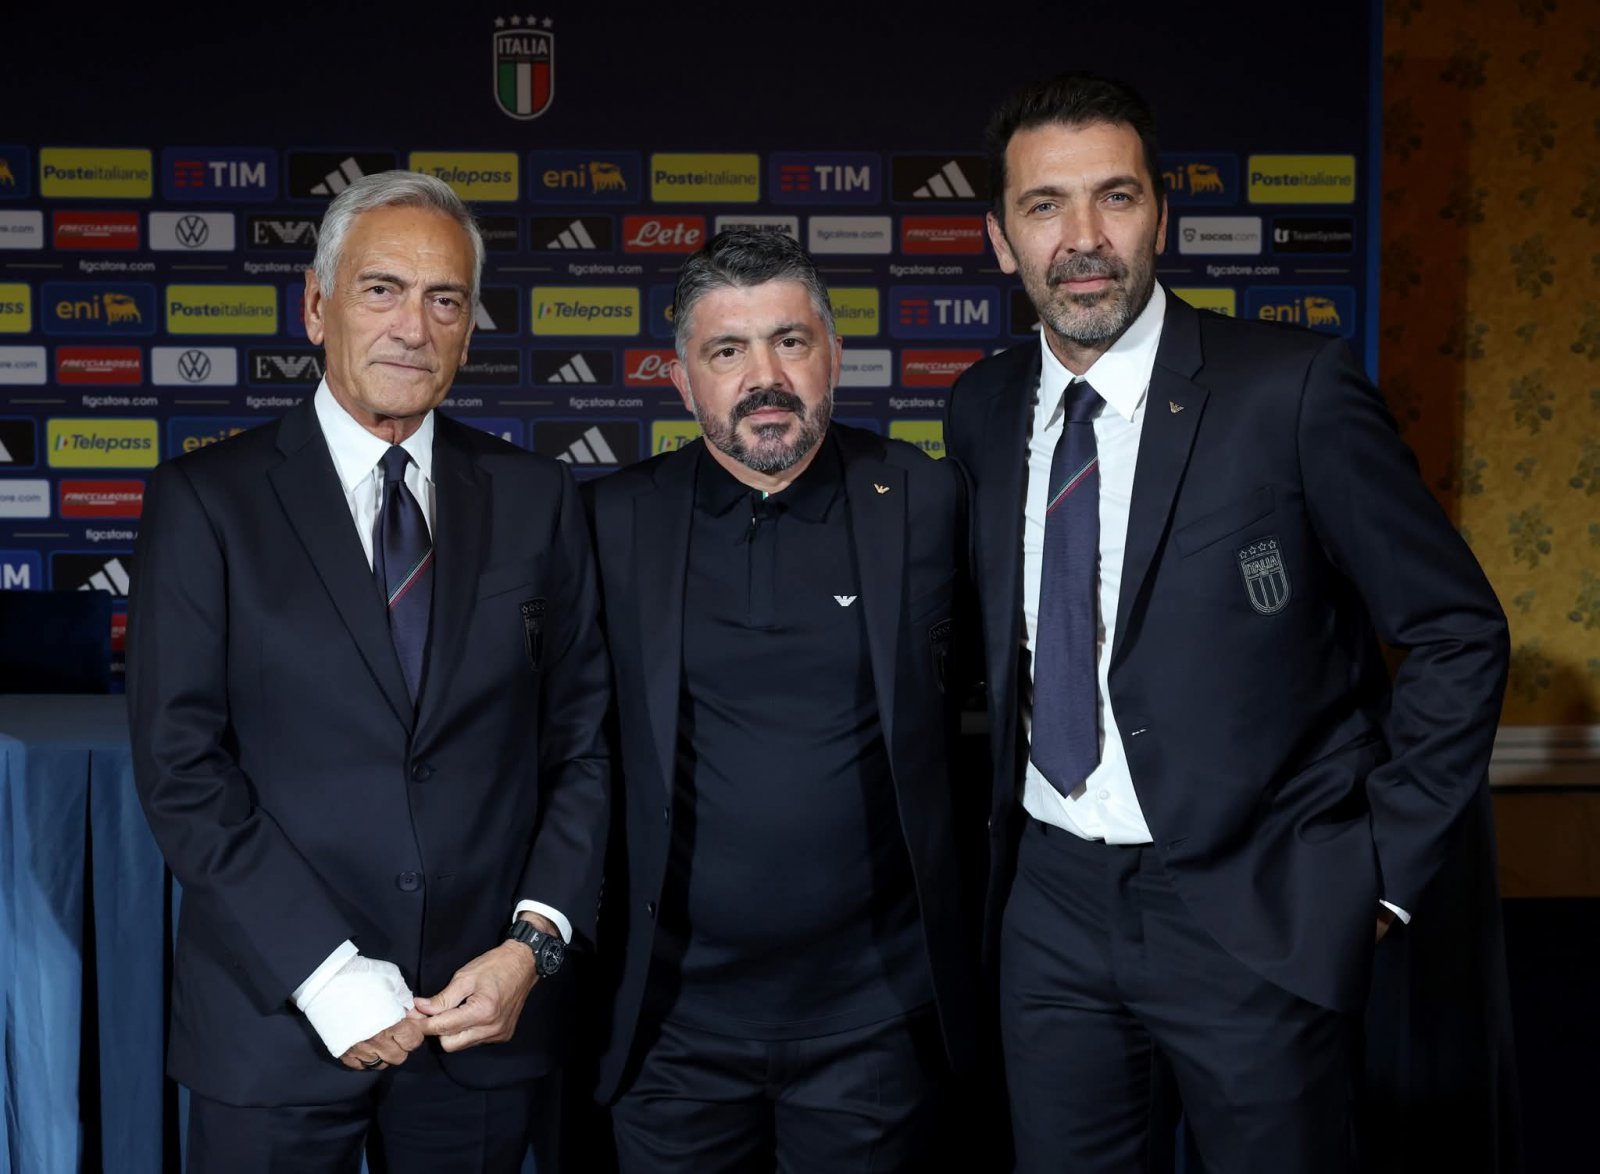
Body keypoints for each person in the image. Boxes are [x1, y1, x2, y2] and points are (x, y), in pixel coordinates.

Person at [944, 73, 1510, 1174]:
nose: (1082, 238)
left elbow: (1457, 629)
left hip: (1257, 907)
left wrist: (1379, 875)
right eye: (1045, 205)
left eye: (1115, 197)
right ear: (1001, 240)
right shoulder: (981, 406)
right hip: (1050, 906)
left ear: (1161, 216)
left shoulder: (1290, 389)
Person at [128, 170, 609, 1173]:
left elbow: (583, 745)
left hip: (481, 1022)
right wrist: (323, 972)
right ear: (316, 306)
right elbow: (181, 766)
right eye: (382, 289)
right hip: (275, 1017)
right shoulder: (205, 501)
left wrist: (534, 945)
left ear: (469, 331)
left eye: (445, 300)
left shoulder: (538, 498)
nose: (412, 328)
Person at [584, 229, 977, 1173]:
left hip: (875, 1028)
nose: (765, 377)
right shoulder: (608, 521)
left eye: (790, 342)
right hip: (671, 1030)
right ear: (682, 381)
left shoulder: (928, 500)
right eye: (727, 351)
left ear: (833, 354)